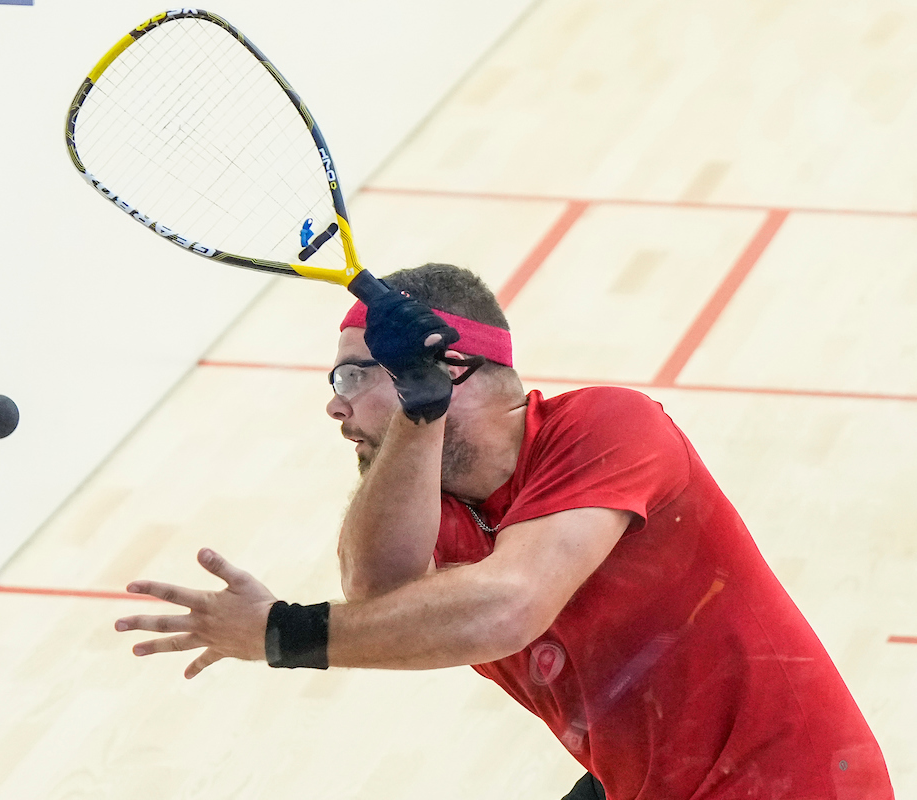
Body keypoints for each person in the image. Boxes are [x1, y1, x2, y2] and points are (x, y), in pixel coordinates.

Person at [115, 263, 893, 799]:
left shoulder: (607, 426)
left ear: (452, 367)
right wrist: (418, 419)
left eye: (356, 375)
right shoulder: (434, 497)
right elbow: (376, 593)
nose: (335, 404)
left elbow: (508, 607)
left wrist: (280, 634)